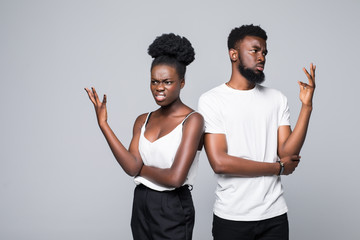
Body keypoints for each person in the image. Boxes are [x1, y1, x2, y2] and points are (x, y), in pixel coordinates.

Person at [198, 24, 316, 240]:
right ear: (233, 54)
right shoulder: (211, 100)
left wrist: (306, 108)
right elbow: (220, 162)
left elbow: (287, 154)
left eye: (264, 52)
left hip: (275, 216)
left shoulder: (277, 98)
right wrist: (277, 168)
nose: (261, 57)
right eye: (254, 50)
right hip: (231, 217)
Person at [85, 33, 204, 240]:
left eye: (167, 82)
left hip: (172, 204)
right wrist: (104, 125)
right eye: (154, 81)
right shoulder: (143, 120)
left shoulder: (193, 120)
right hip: (141, 202)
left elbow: (175, 178)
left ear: (182, 83)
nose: (159, 88)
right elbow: (130, 167)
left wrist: (141, 169)